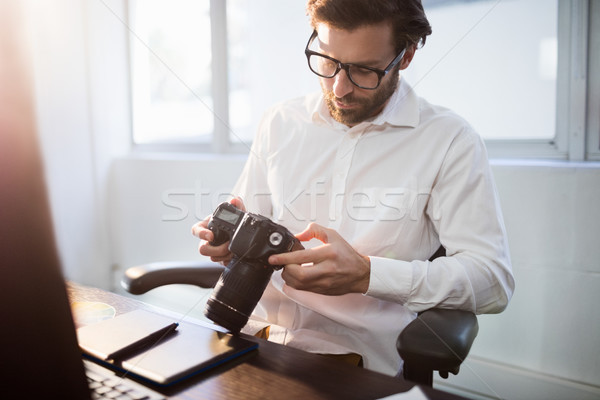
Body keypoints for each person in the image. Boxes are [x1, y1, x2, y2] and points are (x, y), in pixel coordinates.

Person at [192, 0, 514, 376]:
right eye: (327, 61)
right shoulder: (280, 121)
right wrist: (225, 239)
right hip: (246, 336)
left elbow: (493, 281)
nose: (339, 88)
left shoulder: (450, 141)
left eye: (363, 70)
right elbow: (250, 222)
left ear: (405, 56)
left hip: (348, 363)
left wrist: (368, 275)